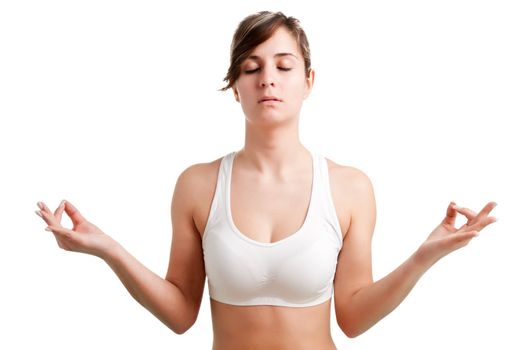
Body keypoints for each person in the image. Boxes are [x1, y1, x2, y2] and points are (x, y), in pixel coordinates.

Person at [34, 10, 498, 350]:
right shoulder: (197, 185)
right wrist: (107, 248)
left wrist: (425, 256)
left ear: (309, 80)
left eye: (283, 66)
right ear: (235, 86)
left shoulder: (350, 187)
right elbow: (179, 314)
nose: (267, 80)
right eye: (251, 68)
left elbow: (353, 318)